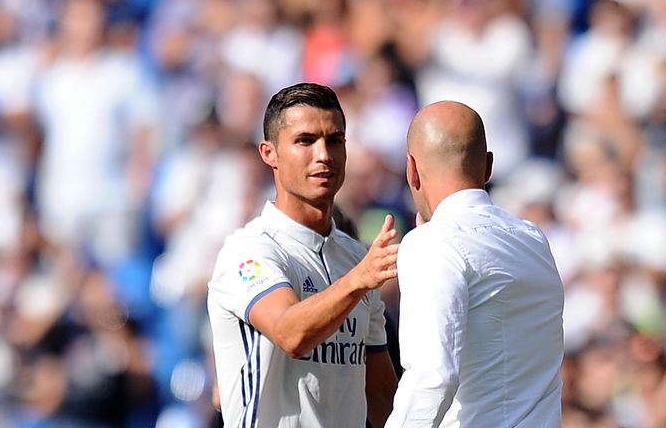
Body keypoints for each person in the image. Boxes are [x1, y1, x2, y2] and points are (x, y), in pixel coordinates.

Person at [207, 83, 399, 428]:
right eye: (305, 141)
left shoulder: (356, 257)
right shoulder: (249, 251)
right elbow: (290, 334)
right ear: (269, 153)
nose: (324, 155)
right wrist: (357, 281)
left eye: (335, 140)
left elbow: (381, 393)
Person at [386, 101, 565, 427]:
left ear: (412, 170)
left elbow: (432, 378)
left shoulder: (431, 243)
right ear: (488, 166)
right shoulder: (533, 239)